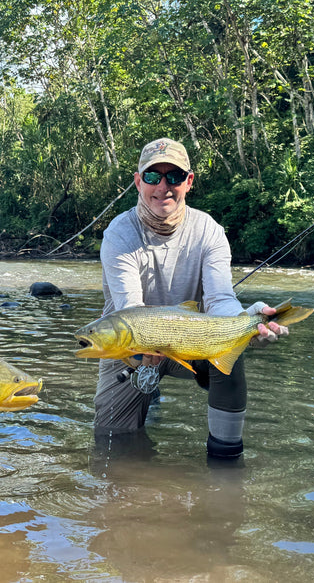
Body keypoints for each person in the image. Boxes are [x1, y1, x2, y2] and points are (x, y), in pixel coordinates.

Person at [93, 138, 289, 460]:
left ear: (189, 181)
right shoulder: (119, 233)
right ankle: (149, 393)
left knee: (231, 352)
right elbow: (130, 310)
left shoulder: (209, 231)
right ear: (138, 182)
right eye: (153, 176)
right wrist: (140, 353)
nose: (163, 186)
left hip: (193, 341)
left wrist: (246, 321)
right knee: (112, 448)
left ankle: (226, 462)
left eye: (174, 176)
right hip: (130, 347)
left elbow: (220, 299)